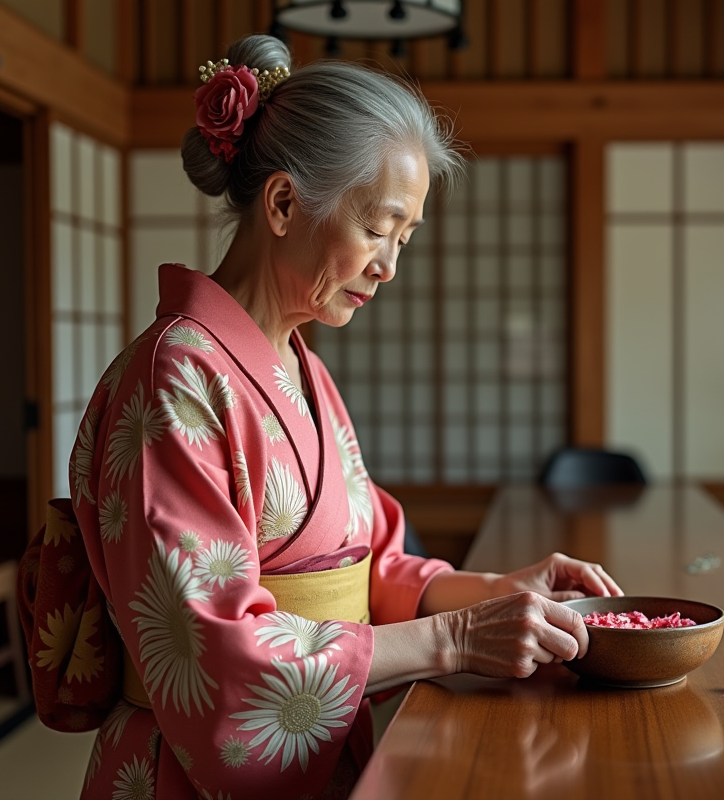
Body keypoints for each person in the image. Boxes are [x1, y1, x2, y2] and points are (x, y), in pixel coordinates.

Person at [69, 35, 622, 799]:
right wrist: (456, 639)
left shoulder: (303, 368)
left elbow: (369, 568)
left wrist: (497, 592)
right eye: (376, 228)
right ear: (284, 204)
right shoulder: (175, 378)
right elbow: (214, 660)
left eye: (404, 238)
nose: (388, 266)